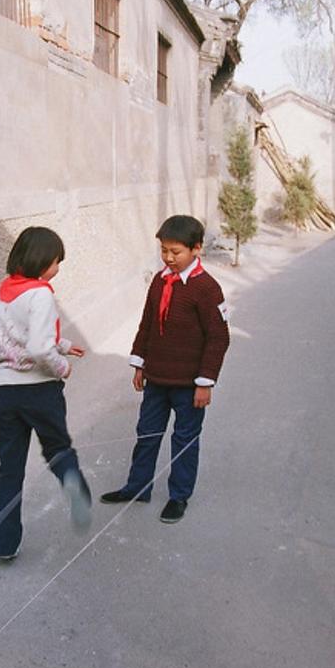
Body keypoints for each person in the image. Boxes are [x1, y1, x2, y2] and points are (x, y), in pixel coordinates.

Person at [101, 215, 230, 523]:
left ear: (196, 249)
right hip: (157, 379)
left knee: (184, 439)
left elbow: (218, 337)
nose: (169, 258)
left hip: (189, 385)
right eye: (164, 251)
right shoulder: (160, 281)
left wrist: (205, 382)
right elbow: (147, 323)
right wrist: (139, 362)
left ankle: (179, 496)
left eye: (176, 252)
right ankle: (137, 486)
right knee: (147, 433)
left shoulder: (207, 288)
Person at [0, 226, 92, 559]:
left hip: (7, 391)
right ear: (41, 259)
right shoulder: (42, 293)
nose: (58, 268)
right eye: (56, 262)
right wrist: (61, 366)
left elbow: (15, 336)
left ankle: (3, 544)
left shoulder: (6, 290)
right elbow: (37, 346)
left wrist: (62, 345)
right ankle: (72, 482)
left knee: (10, 469)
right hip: (40, 390)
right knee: (57, 448)